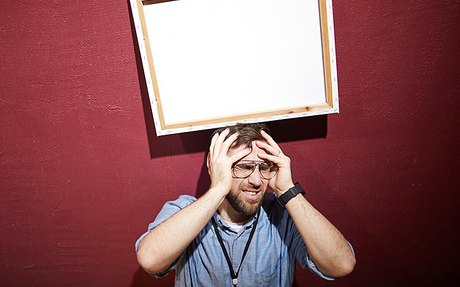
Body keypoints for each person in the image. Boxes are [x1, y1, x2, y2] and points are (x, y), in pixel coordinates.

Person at [135, 123, 356, 286]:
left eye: (265, 167)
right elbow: (150, 260)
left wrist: (288, 191)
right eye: (243, 167)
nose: (257, 181)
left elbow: (342, 265)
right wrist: (217, 189)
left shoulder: (283, 215)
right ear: (214, 165)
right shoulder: (184, 210)